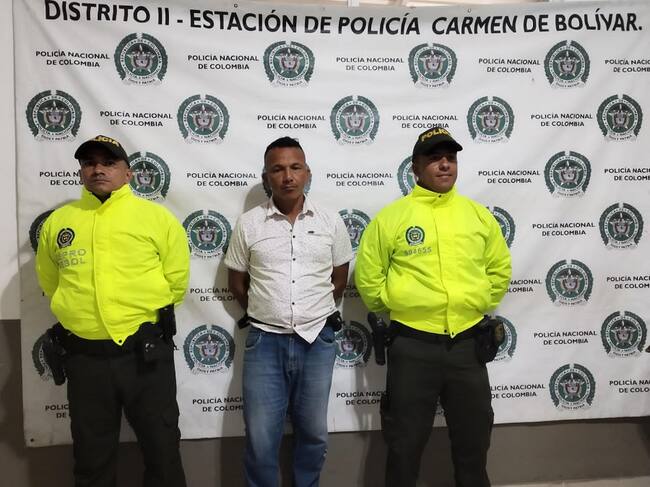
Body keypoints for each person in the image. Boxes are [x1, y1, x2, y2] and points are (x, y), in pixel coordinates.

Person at [355, 127, 512, 487]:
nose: (444, 165)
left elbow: (499, 268)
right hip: (413, 347)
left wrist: (478, 302)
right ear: (415, 167)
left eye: (450, 158)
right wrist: (397, 305)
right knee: (404, 445)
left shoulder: (477, 215)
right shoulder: (391, 218)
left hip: (468, 346)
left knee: (474, 443)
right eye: (435, 158)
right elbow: (369, 276)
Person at [35, 134, 190, 487]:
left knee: (163, 454)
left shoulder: (157, 219)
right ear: (81, 172)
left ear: (128, 173)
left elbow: (176, 282)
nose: (98, 169)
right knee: (92, 461)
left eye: (109, 163)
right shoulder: (59, 222)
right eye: (89, 163)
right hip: (85, 359)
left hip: (145, 356)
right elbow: (50, 281)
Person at [224, 136, 353, 487]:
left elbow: (339, 278)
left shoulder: (330, 221)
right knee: (260, 437)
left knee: (313, 433)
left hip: (317, 340)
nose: (287, 177)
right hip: (265, 342)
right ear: (266, 177)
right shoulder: (249, 223)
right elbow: (236, 283)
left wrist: (312, 311)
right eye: (277, 169)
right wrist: (269, 311)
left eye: (295, 167)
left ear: (307, 172)